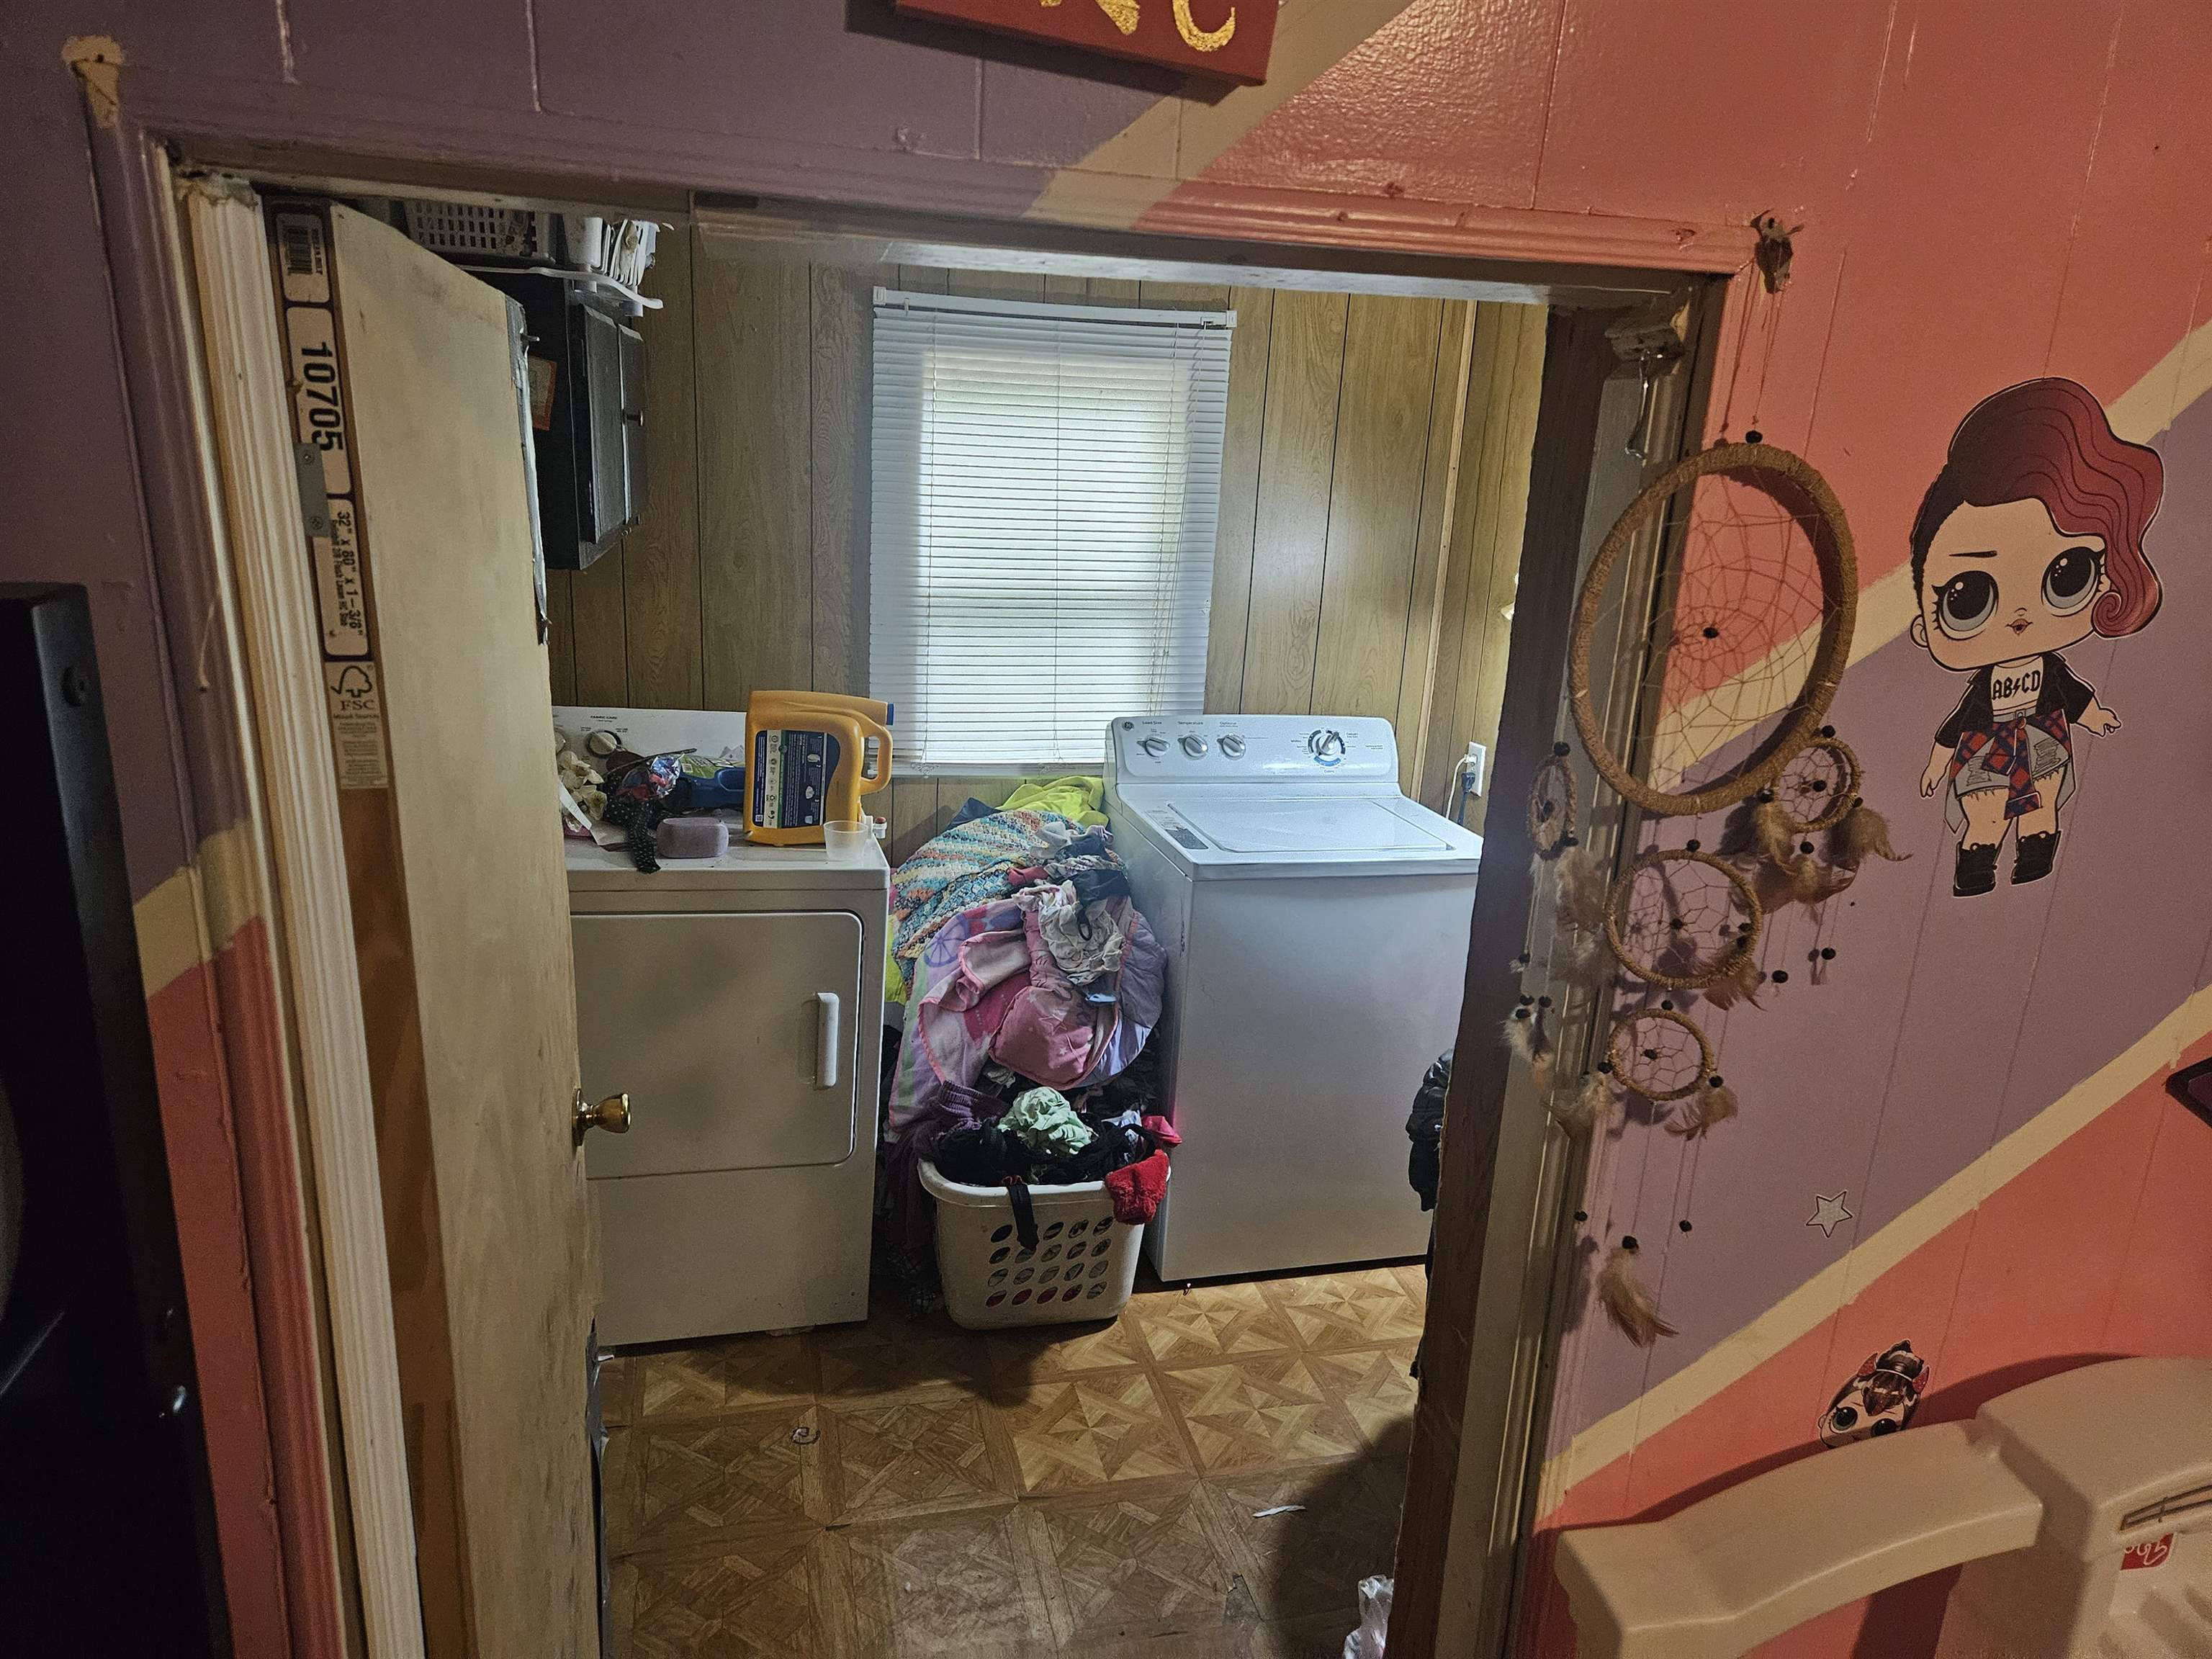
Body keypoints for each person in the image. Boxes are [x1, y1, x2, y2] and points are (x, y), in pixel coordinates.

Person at [1908, 377, 2164, 896]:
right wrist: (1938, 764)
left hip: (2045, 736)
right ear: (1923, 624)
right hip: (1986, 745)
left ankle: (2036, 854)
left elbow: (2072, 694)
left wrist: (2095, 717)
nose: (2021, 617)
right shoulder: (1988, 683)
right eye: (1967, 597)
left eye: (2068, 574)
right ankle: (1976, 865)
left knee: (2042, 804)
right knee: (1985, 812)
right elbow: (1957, 723)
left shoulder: (2049, 670)